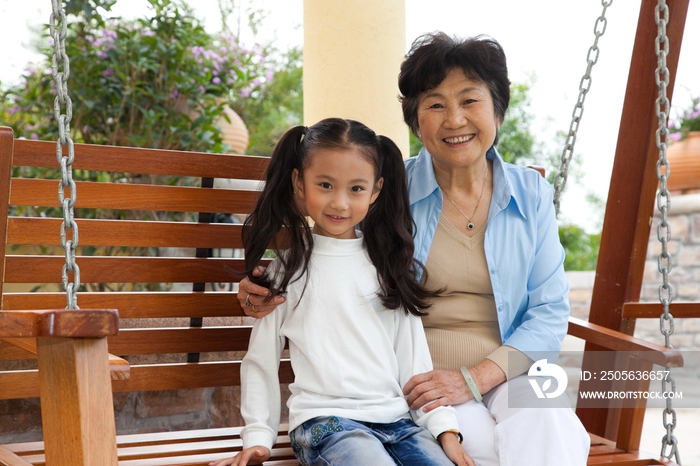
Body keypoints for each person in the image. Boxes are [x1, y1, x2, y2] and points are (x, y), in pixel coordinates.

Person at [238, 33, 590, 466]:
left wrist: (475, 378)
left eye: (469, 100)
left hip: (509, 371)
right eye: (436, 104)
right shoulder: (388, 191)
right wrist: (261, 284)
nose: (455, 119)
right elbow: (334, 255)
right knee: (483, 450)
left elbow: (549, 311)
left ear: (496, 108)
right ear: (414, 119)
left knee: (551, 423)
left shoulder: (530, 193)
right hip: (423, 386)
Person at [211, 118, 474, 466]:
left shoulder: (388, 268)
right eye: (325, 184)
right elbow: (260, 362)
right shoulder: (285, 272)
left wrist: (445, 432)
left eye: (356, 189)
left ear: (376, 191)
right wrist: (259, 436)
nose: (339, 203)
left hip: (399, 424)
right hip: (326, 424)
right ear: (299, 184)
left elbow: (415, 367)